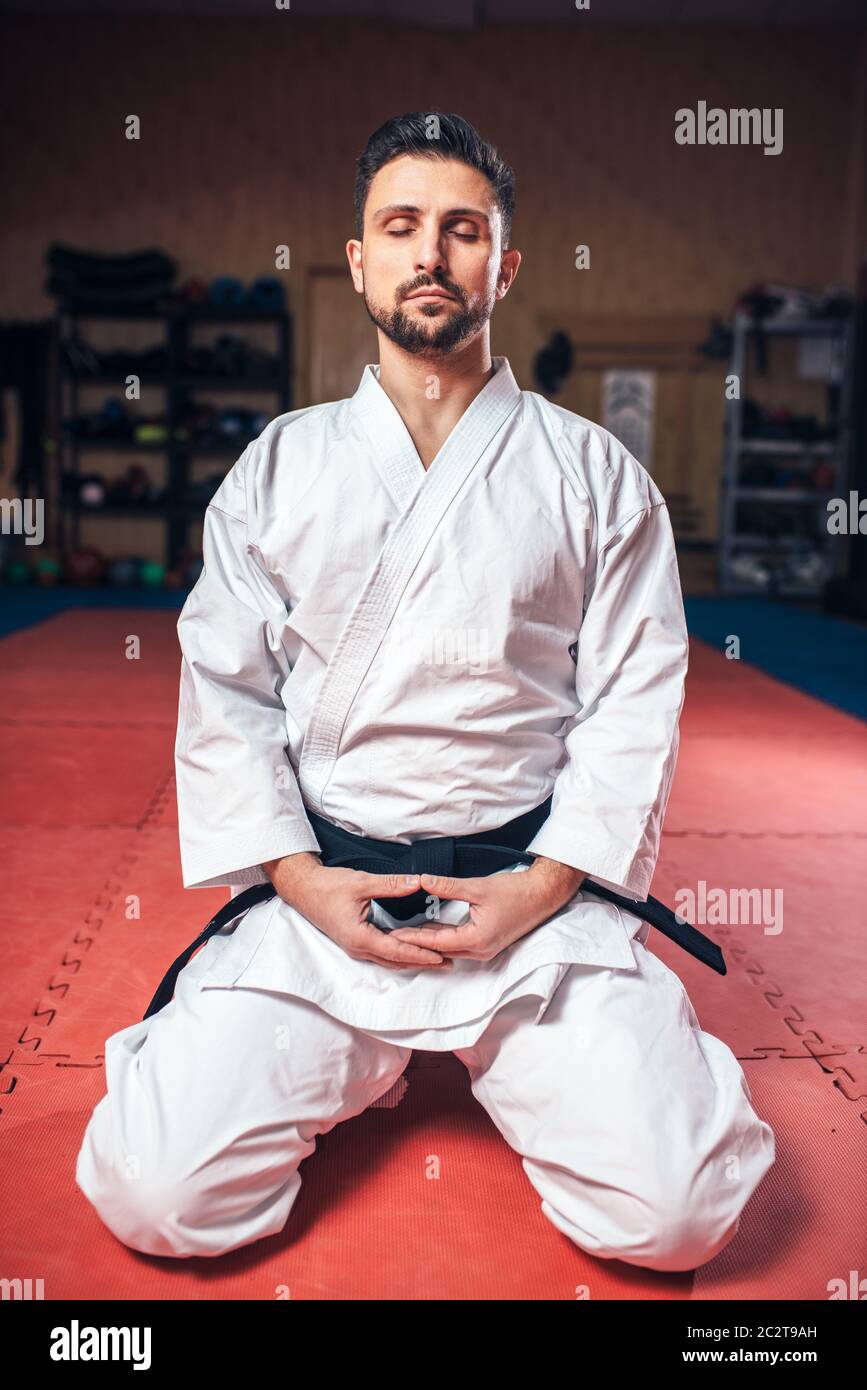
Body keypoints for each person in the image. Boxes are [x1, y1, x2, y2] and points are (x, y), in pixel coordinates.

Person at [76, 111, 775, 1271]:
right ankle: (325, 1049)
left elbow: (633, 707)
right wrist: (298, 878)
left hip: (531, 908)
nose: (429, 254)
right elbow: (230, 698)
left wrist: (546, 885)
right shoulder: (280, 469)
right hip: (329, 902)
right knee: (159, 1199)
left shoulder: (595, 475)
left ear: (502, 264)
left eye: (462, 230)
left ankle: (603, 1053)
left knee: (680, 1218)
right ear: (359, 261)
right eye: (400, 227)